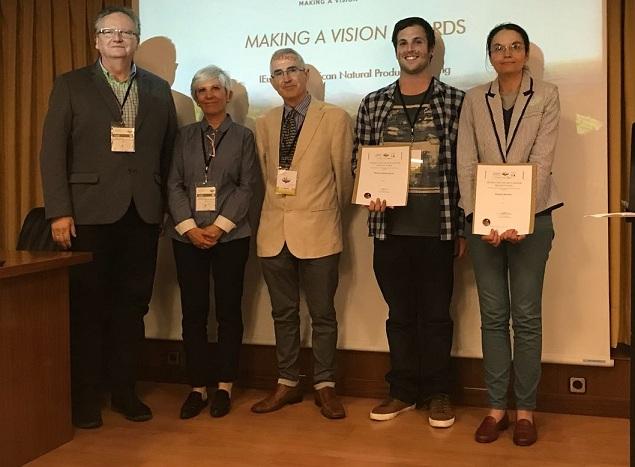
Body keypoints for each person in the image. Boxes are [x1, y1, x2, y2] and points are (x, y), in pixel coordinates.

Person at [39, 6, 177, 428]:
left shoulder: (157, 89)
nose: (119, 38)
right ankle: (84, 398)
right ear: (96, 40)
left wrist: (165, 209)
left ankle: (124, 392)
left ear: (135, 40)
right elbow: (52, 152)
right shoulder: (71, 85)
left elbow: (168, 152)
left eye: (127, 32)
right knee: (87, 308)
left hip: (142, 215)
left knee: (132, 308)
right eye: (109, 32)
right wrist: (59, 211)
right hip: (88, 216)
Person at [352, 17, 465, 428]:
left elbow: (465, 169)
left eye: (418, 42)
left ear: (431, 49)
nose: (410, 48)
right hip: (390, 230)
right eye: (403, 42)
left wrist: (465, 227)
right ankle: (401, 392)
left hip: (439, 229)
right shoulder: (374, 102)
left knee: (437, 316)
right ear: (396, 49)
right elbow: (358, 159)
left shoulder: (456, 101)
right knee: (399, 315)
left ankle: (438, 393)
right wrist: (369, 191)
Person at [457, 23, 562, 446]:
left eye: (514, 47)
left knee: (527, 317)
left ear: (525, 53)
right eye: (498, 48)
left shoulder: (548, 95)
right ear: (489, 55)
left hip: (532, 219)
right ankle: (496, 408)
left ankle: (525, 412)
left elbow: (543, 157)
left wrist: (518, 216)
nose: (507, 54)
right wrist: (480, 216)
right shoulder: (472, 99)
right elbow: (466, 159)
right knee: (493, 316)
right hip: (484, 223)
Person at [250, 48, 353, 419]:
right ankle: (288, 383)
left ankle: (325, 386)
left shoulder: (335, 118)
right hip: (274, 230)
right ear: (272, 81)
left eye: (293, 70)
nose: (287, 78)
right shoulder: (264, 122)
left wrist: (323, 213)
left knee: (323, 314)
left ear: (306, 74)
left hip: (319, 229)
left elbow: (344, 178)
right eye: (278, 73)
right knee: (283, 313)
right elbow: (266, 178)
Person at [166, 65, 258, 419]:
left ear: (228, 94)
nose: (209, 96)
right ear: (195, 97)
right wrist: (189, 228)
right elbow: (174, 184)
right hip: (186, 237)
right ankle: (197, 387)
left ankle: (224, 385)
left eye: (215, 89)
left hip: (231, 236)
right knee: (193, 313)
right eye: (202, 90)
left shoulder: (244, 137)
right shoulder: (184, 136)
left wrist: (218, 228)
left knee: (229, 313)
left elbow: (246, 186)